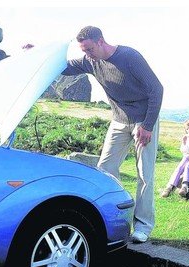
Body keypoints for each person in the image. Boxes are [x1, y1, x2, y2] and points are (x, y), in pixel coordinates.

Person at [62, 26, 163, 243]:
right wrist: (35, 53)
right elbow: (64, 68)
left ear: (100, 41)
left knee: (145, 175)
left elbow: (157, 90)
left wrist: (147, 126)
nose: (87, 54)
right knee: (105, 170)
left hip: (143, 121)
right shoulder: (90, 61)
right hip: (118, 121)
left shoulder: (129, 57)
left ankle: (143, 226)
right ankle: (113, 220)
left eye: (89, 48)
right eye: (83, 50)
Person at [161, 119, 189, 198]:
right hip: (188, 156)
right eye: (187, 129)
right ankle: (169, 187)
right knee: (180, 167)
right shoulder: (187, 137)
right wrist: (184, 143)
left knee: (188, 165)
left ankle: (185, 186)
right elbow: (183, 151)